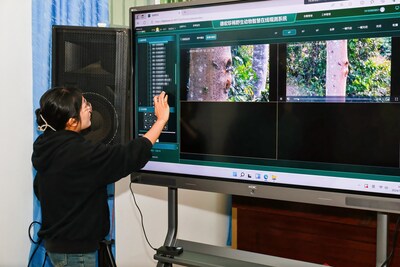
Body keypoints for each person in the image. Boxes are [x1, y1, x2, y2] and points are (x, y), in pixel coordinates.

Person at [32, 87, 169, 266]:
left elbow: (40, 189)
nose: (90, 108)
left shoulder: (46, 145)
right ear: (72, 121)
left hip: (58, 246)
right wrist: (161, 120)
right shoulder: (80, 153)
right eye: (85, 106)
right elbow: (128, 155)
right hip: (75, 252)